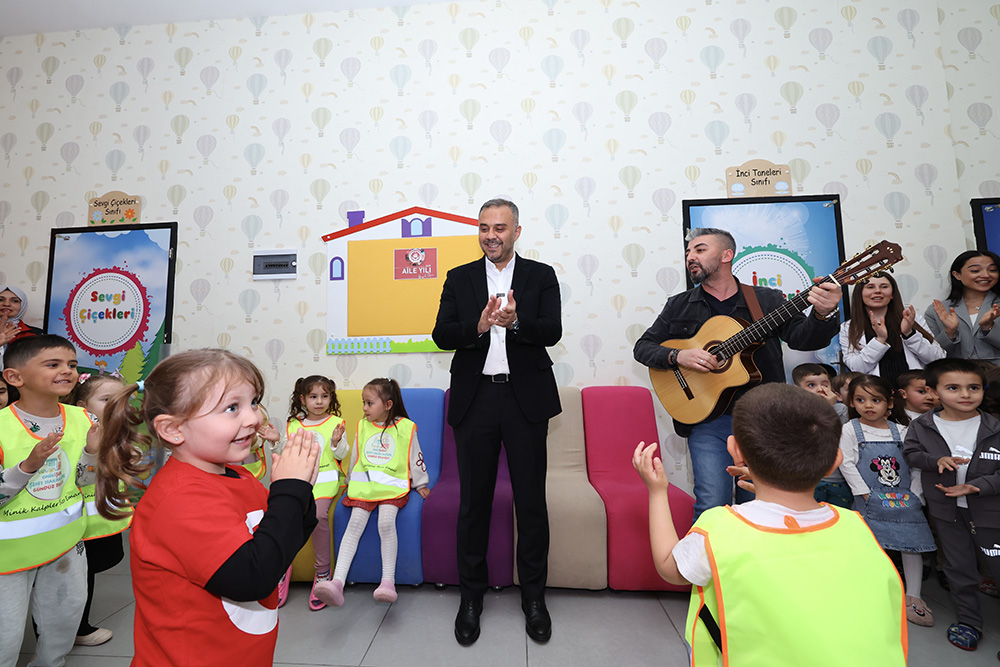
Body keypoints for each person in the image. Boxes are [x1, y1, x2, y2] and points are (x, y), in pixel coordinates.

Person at [633, 383, 906, 666]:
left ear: (734, 450)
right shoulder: (858, 526)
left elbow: (669, 567)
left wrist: (657, 491)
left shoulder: (720, 529)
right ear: (835, 461)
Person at [96, 349, 321, 667]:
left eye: (253, 402)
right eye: (232, 408)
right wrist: (289, 490)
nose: (254, 418)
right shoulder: (179, 500)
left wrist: (301, 489)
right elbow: (252, 578)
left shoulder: (239, 476)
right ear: (173, 429)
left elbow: (281, 543)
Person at [633, 227, 842, 520]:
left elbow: (802, 339)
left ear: (726, 255)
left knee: (761, 506)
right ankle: (707, 552)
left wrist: (823, 314)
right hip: (707, 419)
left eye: (700, 250)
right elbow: (643, 348)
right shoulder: (679, 304)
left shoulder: (766, 300)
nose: (690, 257)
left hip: (763, 419)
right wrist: (679, 355)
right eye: (688, 252)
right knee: (711, 503)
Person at [432, 198, 562, 645]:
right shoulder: (459, 277)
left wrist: (518, 322)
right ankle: (471, 599)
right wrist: (480, 326)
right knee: (474, 505)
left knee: (531, 504)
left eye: (500, 228)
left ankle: (534, 598)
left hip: (526, 401)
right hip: (477, 400)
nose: (491, 235)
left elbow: (552, 331)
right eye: (484, 227)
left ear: (516, 232)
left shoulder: (540, 275)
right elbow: (441, 334)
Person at [0, 334, 100, 667]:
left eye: (72, 364)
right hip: (7, 558)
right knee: (5, 637)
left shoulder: (84, 419)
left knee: (64, 622)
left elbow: (84, 481)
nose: (67, 371)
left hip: (65, 545)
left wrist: (92, 453)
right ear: (14, 377)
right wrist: (27, 467)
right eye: (53, 364)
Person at [903, 358, 1000, 653]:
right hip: (947, 512)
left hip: (991, 513)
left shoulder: (995, 426)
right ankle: (969, 622)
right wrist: (935, 460)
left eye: (974, 387)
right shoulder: (922, 426)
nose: (965, 394)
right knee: (958, 569)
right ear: (934, 392)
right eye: (954, 388)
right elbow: (911, 454)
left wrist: (979, 486)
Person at [313, 378, 429, 608]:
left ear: (388, 404)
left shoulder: (406, 427)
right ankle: (337, 583)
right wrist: (349, 482)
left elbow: (415, 456)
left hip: (391, 488)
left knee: (386, 523)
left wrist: (421, 483)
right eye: (363, 403)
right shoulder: (363, 426)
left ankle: (388, 582)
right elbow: (356, 457)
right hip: (364, 486)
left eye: (369, 403)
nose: (364, 408)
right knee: (354, 524)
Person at [838, 374, 936, 627]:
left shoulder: (903, 431)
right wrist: (865, 494)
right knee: (868, 545)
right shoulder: (849, 430)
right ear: (852, 402)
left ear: (890, 403)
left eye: (876, 400)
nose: (868, 405)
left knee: (910, 544)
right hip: (868, 500)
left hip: (905, 500)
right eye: (860, 400)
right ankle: (868, 591)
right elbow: (846, 463)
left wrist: (915, 495)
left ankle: (913, 595)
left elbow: (915, 466)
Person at [262, 375, 348, 610]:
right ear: (303, 399)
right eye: (313, 396)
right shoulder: (293, 424)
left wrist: (336, 442)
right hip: (299, 478)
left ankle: (323, 573)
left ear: (330, 398)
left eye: (324, 396)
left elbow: (341, 455)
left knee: (318, 515)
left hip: (326, 480)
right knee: (282, 516)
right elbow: (286, 452)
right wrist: (275, 441)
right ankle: (281, 569)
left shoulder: (336, 423)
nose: (319, 401)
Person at [67, 372, 133, 646]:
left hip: (102, 517)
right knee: (76, 575)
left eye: (122, 399)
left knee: (90, 570)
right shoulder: (74, 434)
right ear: (82, 407)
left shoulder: (118, 432)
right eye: (107, 399)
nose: (116, 405)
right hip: (77, 522)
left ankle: (78, 625)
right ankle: (75, 628)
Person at [840, 273, 944, 384]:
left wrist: (909, 334)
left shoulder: (912, 320)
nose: (878, 291)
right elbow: (856, 368)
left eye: (884, 287)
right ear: (859, 294)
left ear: (892, 294)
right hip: (876, 391)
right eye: (870, 287)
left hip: (914, 391)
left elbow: (938, 359)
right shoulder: (849, 327)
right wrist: (879, 340)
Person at [792, 363, 851, 508]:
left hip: (839, 479)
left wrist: (831, 407)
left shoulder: (840, 409)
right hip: (808, 480)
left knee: (839, 516)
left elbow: (840, 436)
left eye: (825, 385)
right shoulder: (795, 413)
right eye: (811, 385)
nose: (820, 389)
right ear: (797, 390)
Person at [925, 250, 1000, 365]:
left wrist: (988, 328)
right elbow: (932, 354)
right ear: (957, 275)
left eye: (993, 270)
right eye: (975, 270)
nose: (986, 275)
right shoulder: (937, 310)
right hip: (956, 372)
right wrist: (949, 332)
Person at [0, 285, 43, 370]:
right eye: (0, 300)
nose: (6, 304)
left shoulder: (36, 335)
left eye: (15, 301)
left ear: (23, 305)